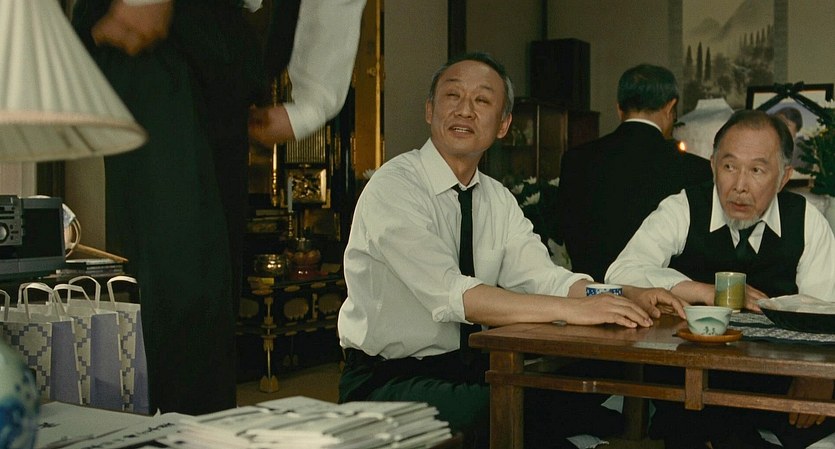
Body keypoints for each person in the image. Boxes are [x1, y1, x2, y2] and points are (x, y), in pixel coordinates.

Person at [337, 52, 688, 449]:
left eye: (482, 100)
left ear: (503, 125)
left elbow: (548, 278)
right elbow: (455, 295)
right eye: (452, 96)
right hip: (387, 380)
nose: (465, 110)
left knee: (577, 401)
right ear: (430, 110)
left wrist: (623, 294)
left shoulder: (496, 198)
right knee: (507, 411)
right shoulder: (394, 186)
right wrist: (575, 311)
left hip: (470, 370)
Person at [72, 0, 364, 414]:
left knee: (214, 288)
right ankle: (175, 432)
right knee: (181, 272)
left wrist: (313, 103)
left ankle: (197, 430)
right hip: (156, 34)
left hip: (229, 48)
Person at [607, 110, 835, 449]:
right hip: (690, 382)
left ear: (784, 177)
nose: (740, 186)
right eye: (729, 166)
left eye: (757, 170)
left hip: (775, 384)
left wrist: (818, 376)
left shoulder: (806, 221)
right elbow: (621, 271)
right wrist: (700, 290)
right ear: (713, 165)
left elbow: (825, 311)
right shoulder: (683, 207)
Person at [556, 63, 712, 282]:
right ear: (670, 107)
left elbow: (567, 230)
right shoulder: (696, 169)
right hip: (660, 297)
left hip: (589, 292)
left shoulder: (576, 159)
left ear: (619, 108)